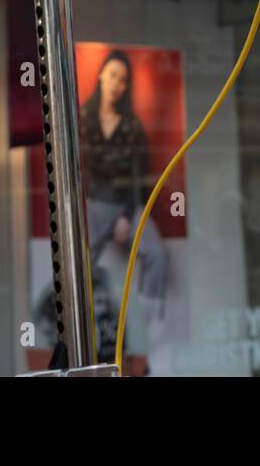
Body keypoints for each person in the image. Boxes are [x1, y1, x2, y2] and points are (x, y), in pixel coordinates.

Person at [79, 49, 168, 358]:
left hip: (125, 205)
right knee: (79, 265)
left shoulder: (131, 124)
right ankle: (85, 330)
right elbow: (77, 171)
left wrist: (127, 217)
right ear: (102, 74)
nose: (117, 83)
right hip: (92, 204)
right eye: (113, 74)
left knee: (156, 254)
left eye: (124, 79)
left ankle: (150, 325)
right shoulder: (82, 118)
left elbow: (137, 175)